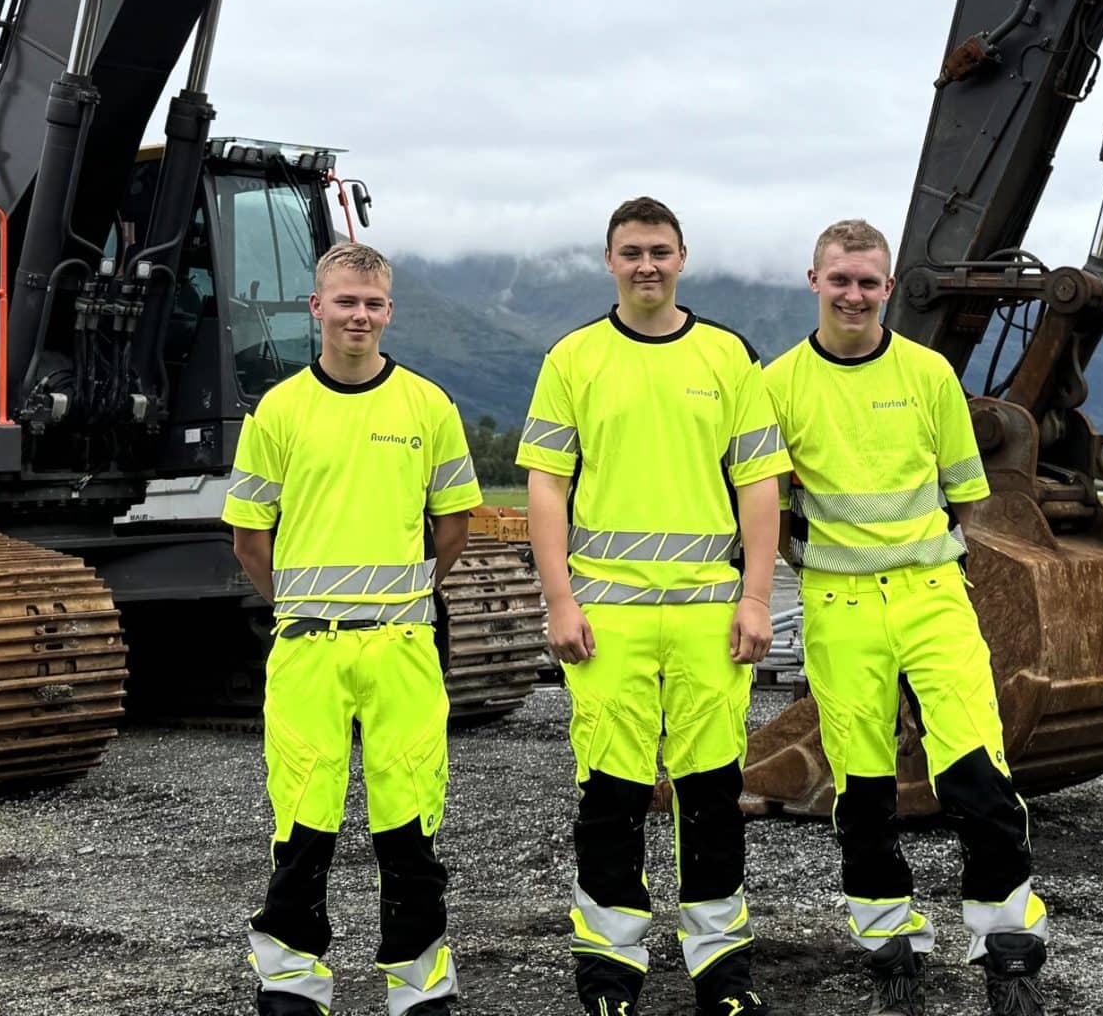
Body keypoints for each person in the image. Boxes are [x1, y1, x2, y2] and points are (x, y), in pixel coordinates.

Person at [759, 220, 1050, 1016]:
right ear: (813, 280)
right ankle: (890, 942)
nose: (853, 294)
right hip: (838, 606)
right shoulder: (778, 385)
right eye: (839, 279)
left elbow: (967, 495)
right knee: (863, 789)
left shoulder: (927, 376)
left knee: (977, 774)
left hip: (930, 597)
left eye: (868, 282)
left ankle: (1008, 948)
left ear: (888, 289)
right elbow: (768, 508)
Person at [516, 196, 789, 1016]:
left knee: (712, 794)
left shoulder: (727, 356)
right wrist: (558, 599)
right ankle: (609, 974)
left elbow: (759, 483)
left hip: (709, 611)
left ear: (683, 258)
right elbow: (545, 484)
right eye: (631, 251)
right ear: (608, 261)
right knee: (611, 796)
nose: (647, 265)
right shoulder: (575, 358)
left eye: (660, 251)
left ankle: (723, 974)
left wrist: (756, 597)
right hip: (608, 617)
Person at [223, 240, 482, 1015]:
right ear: (317, 308)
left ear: (388, 311)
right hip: (309, 647)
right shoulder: (280, 410)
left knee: (410, 828)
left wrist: (409, 599)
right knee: (303, 825)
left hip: (403, 645)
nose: (359, 316)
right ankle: (294, 987)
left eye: (372, 304)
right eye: (345, 302)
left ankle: (419, 988)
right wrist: (296, 604)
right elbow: (248, 536)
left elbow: (455, 522)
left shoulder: (426, 406)